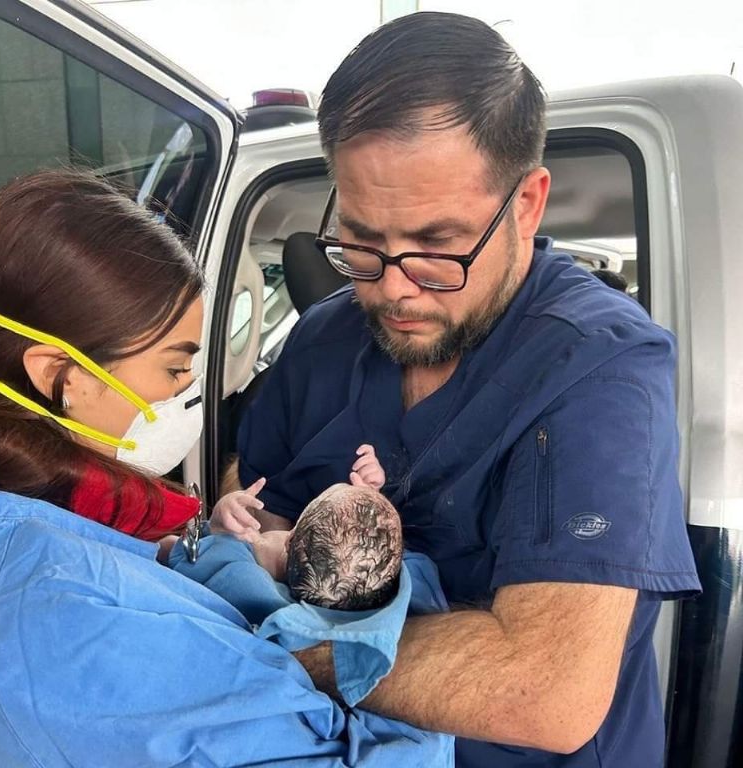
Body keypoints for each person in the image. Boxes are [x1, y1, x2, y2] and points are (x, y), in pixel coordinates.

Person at [235, 11, 701, 768]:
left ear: (526, 203)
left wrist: (284, 645)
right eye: (360, 241)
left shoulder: (598, 366)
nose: (393, 290)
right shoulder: (324, 336)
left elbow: (546, 690)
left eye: (437, 246)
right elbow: (252, 490)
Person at [0, 169, 452, 767]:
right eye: (175, 370)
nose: (189, 394)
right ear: (58, 376)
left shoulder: (61, 518)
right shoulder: (56, 599)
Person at [212, 444, 403, 610]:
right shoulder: (354, 586)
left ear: (291, 537)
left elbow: (189, 556)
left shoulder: (237, 569)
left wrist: (219, 522)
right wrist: (372, 496)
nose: (354, 483)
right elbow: (362, 551)